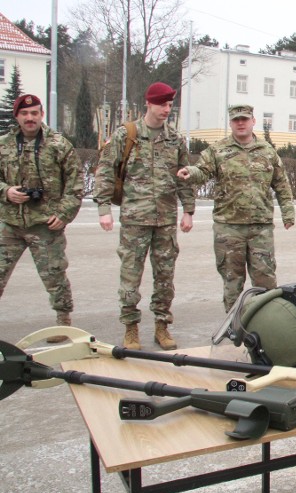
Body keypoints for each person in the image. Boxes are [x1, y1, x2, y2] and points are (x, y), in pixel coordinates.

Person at [94, 82, 195, 351]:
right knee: (130, 276)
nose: (166, 109)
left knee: (165, 277)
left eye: (170, 105)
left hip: (165, 221)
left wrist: (188, 210)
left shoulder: (174, 139)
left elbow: (185, 176)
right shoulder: (126, 134)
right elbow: (106, 169)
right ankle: (131, 329)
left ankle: (162, 326)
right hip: (134, 220)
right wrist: (104, 209)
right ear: (148, 103)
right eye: (162, 104)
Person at [177, 104, 295, 312]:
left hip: (260, 228)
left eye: (244, 119)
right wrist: (191, 172)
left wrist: (288, 212)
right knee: (232, 281)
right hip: (229, 228)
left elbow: (281, 184)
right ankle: (234, 326)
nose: (240, 123)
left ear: (253, 122)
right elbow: (203, 171)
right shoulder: (218, 150)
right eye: (236, 120)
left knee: (266, 281)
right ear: (231, 123)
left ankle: (266, 325)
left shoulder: (267, 151)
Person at [0, 94, 83, 342]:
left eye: (34, 113)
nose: (30, 118)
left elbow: (76, 185)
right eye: (25, 114)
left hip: (46, 224)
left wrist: (64, 214)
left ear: (41, 115)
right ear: (17, 116)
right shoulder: (3, 145)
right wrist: (6, 192)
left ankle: (63, 322)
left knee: (55, 276)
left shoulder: (58, 145)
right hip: (10, 224)